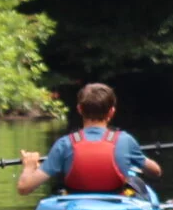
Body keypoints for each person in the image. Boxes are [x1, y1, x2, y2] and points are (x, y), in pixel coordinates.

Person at [18, 82, 160, 197]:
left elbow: (24, 188)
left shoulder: (64, 144)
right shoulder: (126, 140)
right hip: (117, 204)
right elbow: (156, 172)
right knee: (135, 180)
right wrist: (138, 160)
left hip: (76, 207)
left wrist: (29, 166)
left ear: (79, 109)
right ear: (112, 111)